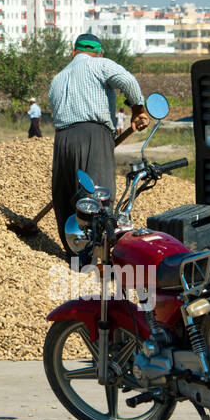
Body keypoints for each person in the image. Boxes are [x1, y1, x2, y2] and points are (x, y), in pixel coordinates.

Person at [47, 33, 150, 255]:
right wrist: (138, 109)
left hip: (62, 140)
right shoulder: (100, 64)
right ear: (98, 53)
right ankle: (99, 256)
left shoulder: (58, 78)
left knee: (65, 197)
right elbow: (128, 82)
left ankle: (73, 253)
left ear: (73, 53)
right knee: (98, 195)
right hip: (94, 134)